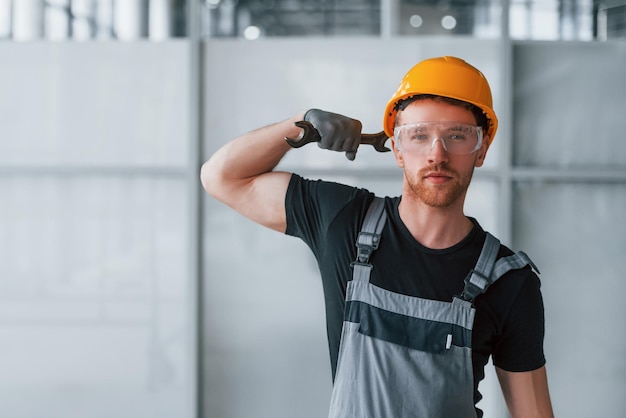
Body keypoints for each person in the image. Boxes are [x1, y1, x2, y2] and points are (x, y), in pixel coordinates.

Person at [201, 56, 554, 417]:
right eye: (419, 136)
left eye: (457, 136)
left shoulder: (508, 281)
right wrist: (301, 126)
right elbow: (222, 177)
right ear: (397, 149)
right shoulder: (344, 221)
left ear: (481, 150)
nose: (437, 154)